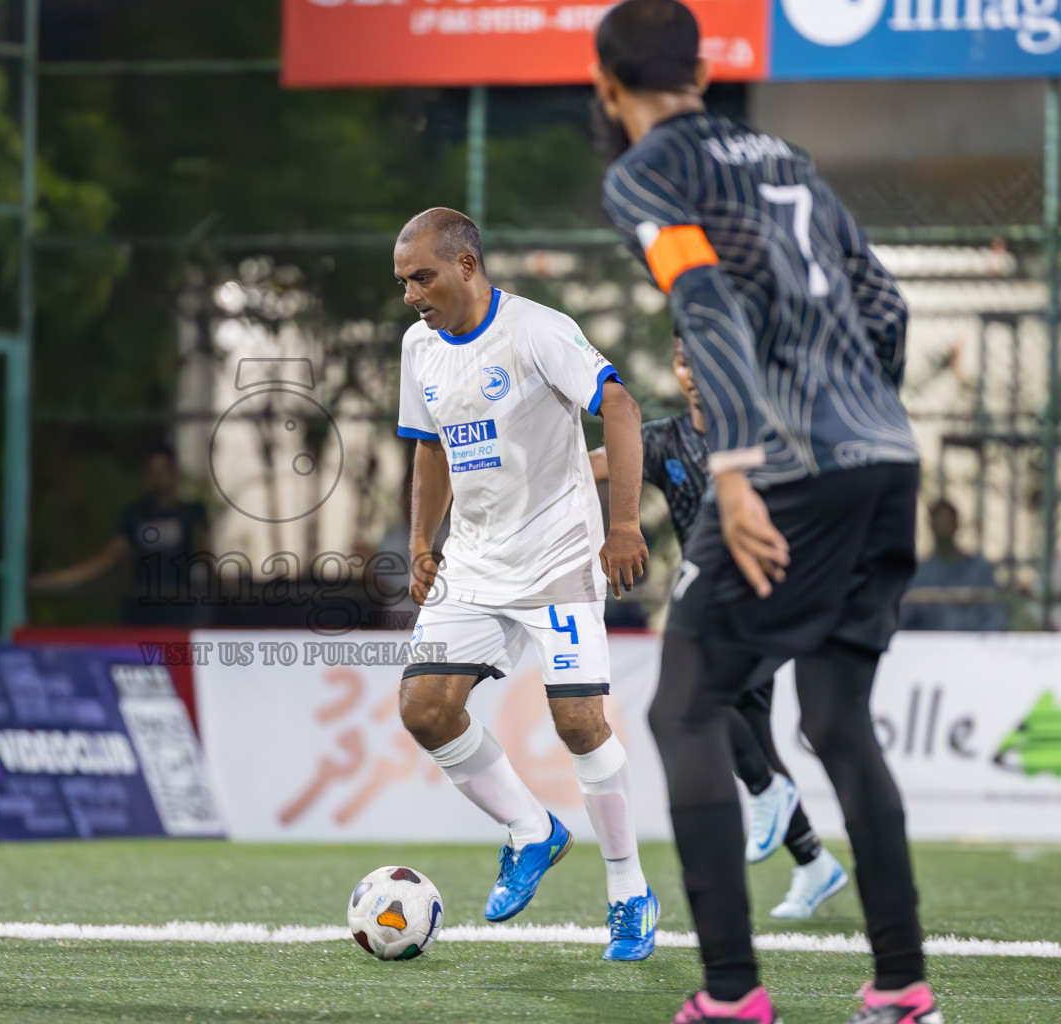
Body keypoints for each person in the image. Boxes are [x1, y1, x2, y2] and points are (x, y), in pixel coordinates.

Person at [594, 3, 936, 1022]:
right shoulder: (786, 157)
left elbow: (701, 304)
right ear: (699, 72)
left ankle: (734, 994)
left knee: (684, 706)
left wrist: (737, 470)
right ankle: (902, 984)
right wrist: (865, 419)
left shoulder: (647, 171)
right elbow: (885, 304)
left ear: (609, 84)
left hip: (786, 467)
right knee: (835, 717)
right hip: (884, 453)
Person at [395, 207, 661, 961]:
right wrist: (422, 539)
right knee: (424, 708)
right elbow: (429, 450)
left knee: (579, 724)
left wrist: (624, 524)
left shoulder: (538, 329)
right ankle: (531, 829)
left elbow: (621, 405)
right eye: (404, 281)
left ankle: (629, 891)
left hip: (559, 557)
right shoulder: (419, 348)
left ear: (466, 267)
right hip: (475, 562)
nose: (411, 293)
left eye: (423, 276)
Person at [590, 335, 848, 920]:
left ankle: (768, 794)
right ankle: (812, 861)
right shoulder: (664, 439)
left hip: (766, 597)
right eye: (683, 358)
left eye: (705, 357)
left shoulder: (766, 435)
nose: (693, 371)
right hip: (713, 607)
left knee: (701, 702)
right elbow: (594, 466)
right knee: (745, 735)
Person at [30, 444, 211, 626]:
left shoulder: (192, 513)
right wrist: (58, 580)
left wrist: (223, 587)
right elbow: (107, 558)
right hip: (141, 612)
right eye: (151, 471)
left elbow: (204, 556)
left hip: (182, 612)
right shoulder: (135, 514)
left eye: (162, 470)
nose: (157, 478)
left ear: (173, 473)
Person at [899, 499, 1008, 632]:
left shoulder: (979, 570)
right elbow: (906, 619)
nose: (943, 526)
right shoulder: (920, 574)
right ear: (930, 525)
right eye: (939, 521)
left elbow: (995, 615)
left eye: (947, 521)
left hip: (974, 647)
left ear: (956, 524)